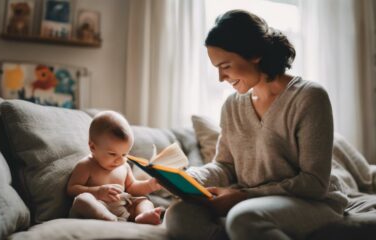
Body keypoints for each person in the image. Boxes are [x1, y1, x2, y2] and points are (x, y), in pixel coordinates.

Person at [165, 9, 348, 240]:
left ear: (254, 55)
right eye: (217, 68)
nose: (221, 78)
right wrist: (185, 178)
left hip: (312, 202)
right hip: (252, 202)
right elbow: (225, 166)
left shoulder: (309, 97)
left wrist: (243, 196)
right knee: (178, 216)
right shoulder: (232, 105)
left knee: (244, 217)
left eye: (226, 66)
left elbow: (314, 183)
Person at [67, 111, 163, 225]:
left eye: (124, 154)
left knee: (144, 201)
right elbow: (72, 189)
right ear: (93, 147)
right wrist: (97, 192)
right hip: (98, 204)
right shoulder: (86, 165)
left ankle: (143, 215)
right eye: (112, 154)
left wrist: (150, 185)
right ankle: (105, 217)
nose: (119, 160)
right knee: (83, 199)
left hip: (123, 207)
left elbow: (132, 187)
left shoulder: (124, 166)